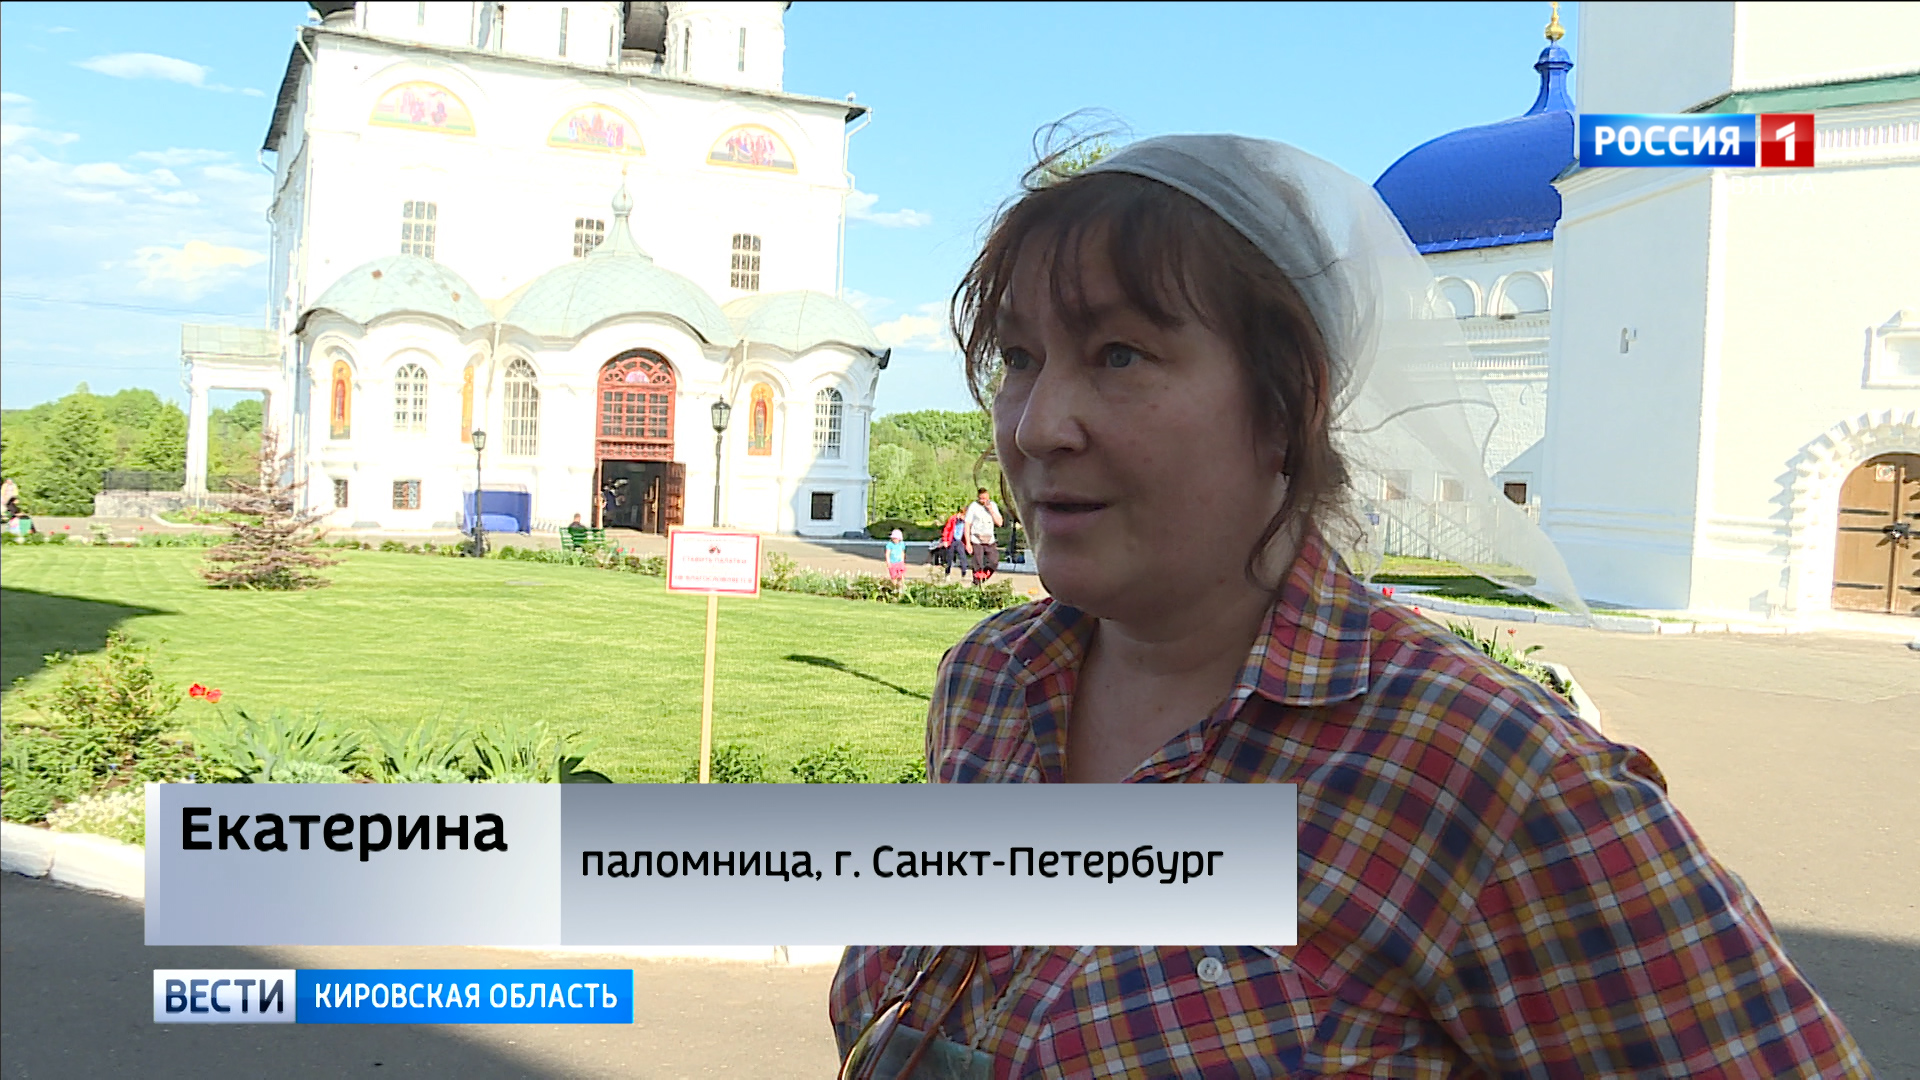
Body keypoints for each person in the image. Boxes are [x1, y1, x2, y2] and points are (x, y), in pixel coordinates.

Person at [829, 135, 1868, 1078]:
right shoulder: (992, 687)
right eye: (1019, 358)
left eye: (1120, 355)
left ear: (1292, 400)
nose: (1037, 425)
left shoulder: (1489, 779)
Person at [961, 487, 1003, 585]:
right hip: (977, 540)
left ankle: (983, 578)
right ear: (978, 497)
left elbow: (1000, 523)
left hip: (989, 540)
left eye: (986, 498)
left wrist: (991, 511)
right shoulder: (973, 506)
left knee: (994, 562)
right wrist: (968, 543)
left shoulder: (993, 505)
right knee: (978, 565)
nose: (984, 501)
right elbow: (967, 524)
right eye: (982, 499)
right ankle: (976, 584)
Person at [938, 509, 968, 579]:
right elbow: (947, 529)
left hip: (959, 541)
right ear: (960, 514)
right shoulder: (953, 519)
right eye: (964, 516)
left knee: (962, 556)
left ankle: (964, 572)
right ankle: (947, 573)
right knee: (949, 558)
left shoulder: (966, 521)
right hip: (951, 540)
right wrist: (945, 540)